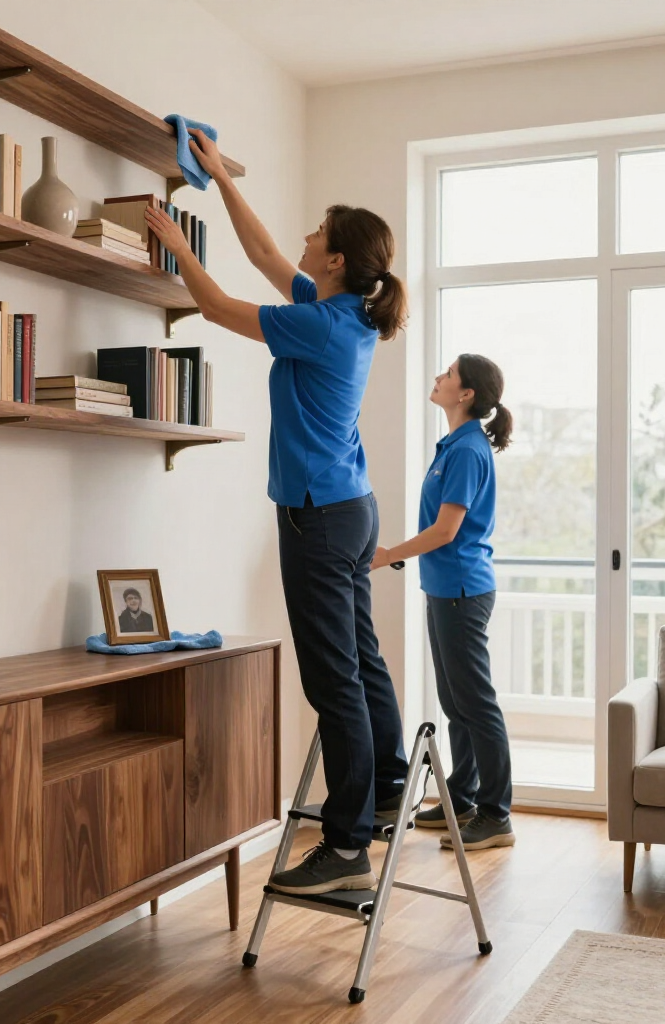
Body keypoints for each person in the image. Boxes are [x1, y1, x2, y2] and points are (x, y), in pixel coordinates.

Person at [145, 130, 410, 895]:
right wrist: (222, 178)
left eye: (318, 233)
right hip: (348, 510)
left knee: (334, 684)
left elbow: (217, 303)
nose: (304, 237)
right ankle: (386, 786)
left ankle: (348, 845)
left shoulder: (320, 324)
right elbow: (265, 256)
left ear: (334, 259)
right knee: (360, 663)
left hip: (319, 518)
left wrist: (173, 244)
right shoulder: (343, 311)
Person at [372, 354, 516, 851]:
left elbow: (446, 530)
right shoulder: (453, 445)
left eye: (449, 374)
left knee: (476, 702)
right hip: (445, 588)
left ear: (467, 393)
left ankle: (496, 815)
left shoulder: (469, 450)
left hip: (462, 590)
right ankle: (464, 797)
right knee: (456, 703)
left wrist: (390, 554)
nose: (439, 377)